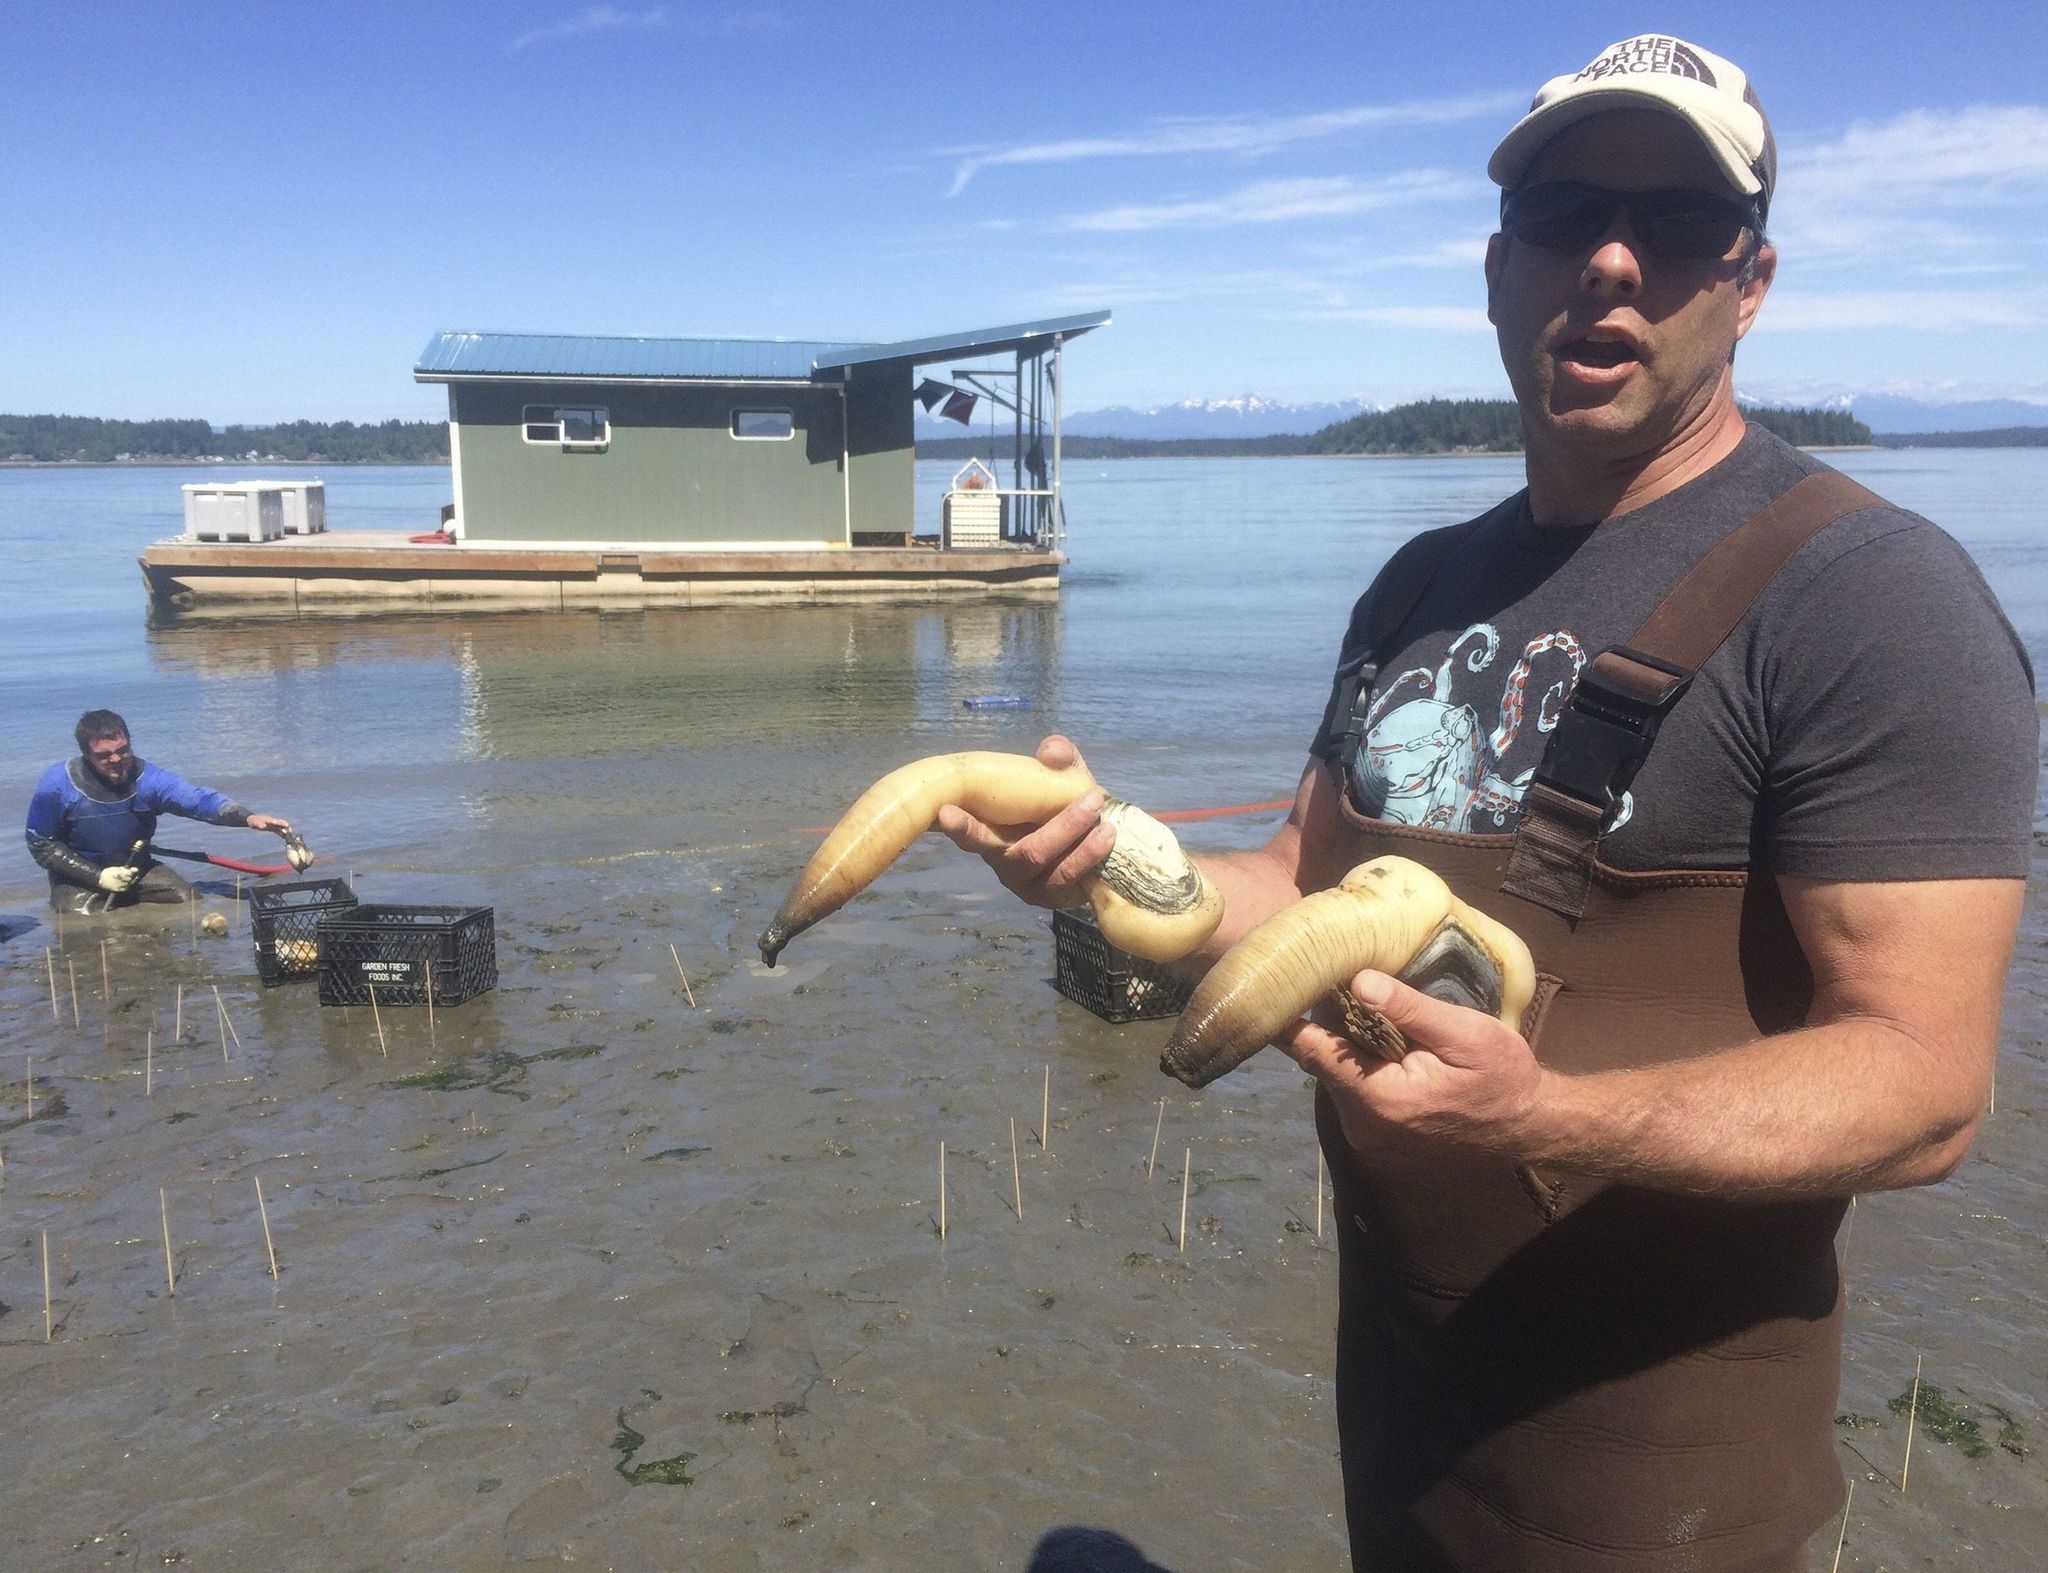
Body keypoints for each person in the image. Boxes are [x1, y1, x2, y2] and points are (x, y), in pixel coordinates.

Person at [938, 34, 2036, 1572]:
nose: (1609, 259)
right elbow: (1295, 884)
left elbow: (1927, 1083)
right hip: (1404, 1425)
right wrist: (1106, 860)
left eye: (1673, 226)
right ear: (1496, 268)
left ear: (1752, 279)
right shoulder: (1421, 584)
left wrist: (1555, 1119)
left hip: (1667, 1495)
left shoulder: (1868, 595)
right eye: (1563, 212)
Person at [25, 709, 298, 915]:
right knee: (88, 925)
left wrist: (248, 817)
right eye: (105, 755)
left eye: (123, 750)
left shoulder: (149, 779)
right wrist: (98, 877)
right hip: (79, 878)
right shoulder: (58, 784)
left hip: (137, 868)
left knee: (188, 902)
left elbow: (195, 800)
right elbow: (41, 844)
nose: (117, 760)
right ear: (86, 754)